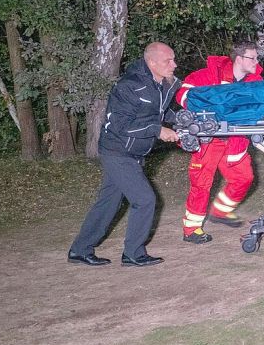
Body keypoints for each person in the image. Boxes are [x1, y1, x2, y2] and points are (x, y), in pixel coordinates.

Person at [68, 42, 181, 267]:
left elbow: (157, 111)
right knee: (145, 199)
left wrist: (180, 119)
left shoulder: (161, 84)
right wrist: (158, 130)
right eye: (168, 61)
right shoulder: (129, 86)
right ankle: (133, 253)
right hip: (117, 151)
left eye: (173, 59)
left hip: (134, 151)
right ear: (151, 62)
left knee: (109, 202)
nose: (174, 65)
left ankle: (80, 250)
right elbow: (120, 125)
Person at [175, 42, 264, 244]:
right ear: (239, 58)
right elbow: (184, 93)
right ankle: (191, 229)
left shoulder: (255, 82)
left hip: (235, 141)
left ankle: (220, 212)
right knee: (201, 184)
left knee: (244, 178)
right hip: (209, 141)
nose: (256, 62)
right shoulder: (208, 75)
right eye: (253, 58)